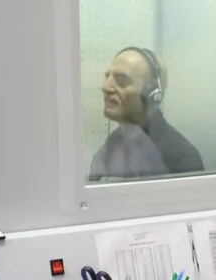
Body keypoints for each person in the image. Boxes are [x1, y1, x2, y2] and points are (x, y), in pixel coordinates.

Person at [87, 47, 203, 181]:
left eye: (122, 80)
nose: (105, 87)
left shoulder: (181, 158)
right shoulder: (112, 145)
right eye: (107, 77)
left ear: (151, 93)